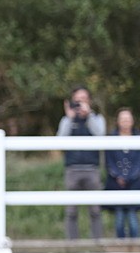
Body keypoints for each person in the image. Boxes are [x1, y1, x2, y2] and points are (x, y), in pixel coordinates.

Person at [56, 85, 106, 240]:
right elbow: (60, 141)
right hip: (72, 169)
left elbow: (101, 136)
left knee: (95, 210)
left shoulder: (97, 118)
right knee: (71, 211)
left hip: (92, 169)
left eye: (83, 99)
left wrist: (88, 116)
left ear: (89, 101)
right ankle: (72, 245)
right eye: (77, 100)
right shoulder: (67, 120)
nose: (80, 103)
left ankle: (97, 243)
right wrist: (70, 118)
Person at [105, 108, 139, 239]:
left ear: (132, 121)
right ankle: (120, 248)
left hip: (135, 183)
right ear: (118, 121)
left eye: (128, 119)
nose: (125, 122)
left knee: (132, 217)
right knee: (119, 219)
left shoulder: (137, 137)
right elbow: (109, 161)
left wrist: (131, 176)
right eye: (122, 119)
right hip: (116, 184)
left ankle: (135, 248)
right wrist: (118, 176)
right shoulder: (111, 139)